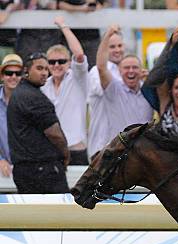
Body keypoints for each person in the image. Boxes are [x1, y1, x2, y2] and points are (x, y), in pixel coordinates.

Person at [7, 52, 70, 193]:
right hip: (43, 170)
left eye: (46, 69)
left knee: (32, 214)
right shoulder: (34, 97)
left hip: (23, 170)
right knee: (60, 212)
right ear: (26, 71)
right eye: (39, 68)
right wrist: (65, 154)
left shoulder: (18, 93)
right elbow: (55, 134)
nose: (44, 73)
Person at [41, 16, 89, 165]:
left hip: (76, 149)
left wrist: (63, 25)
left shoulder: (78, 79)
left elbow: (79, 54)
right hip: (50, 150)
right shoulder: (43, 87)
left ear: (69, 63)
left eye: (61, 61)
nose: (56, 65)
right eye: (52, 62)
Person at [96, 25, 153, 143]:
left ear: (141, 70)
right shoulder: (114, 89)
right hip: (120, 150)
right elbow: (101, 67)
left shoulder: (149, 91)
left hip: (144, 151)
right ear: (120, 71)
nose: (131, 71)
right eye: (127, 68)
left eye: (135, 67)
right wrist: (108, 35)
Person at [87, 27, 125, 157]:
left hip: (121, 146)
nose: (117, 50)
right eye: (112, 47)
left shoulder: (127, 70)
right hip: (102, 145)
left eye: (120, 45)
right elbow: (109, 89)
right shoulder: (95, 72)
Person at [0, 53, 22, 177]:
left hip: (25, 169)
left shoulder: (31, 100)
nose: (13, 77)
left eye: (18, 73)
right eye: (9, 73)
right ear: (2, 76)